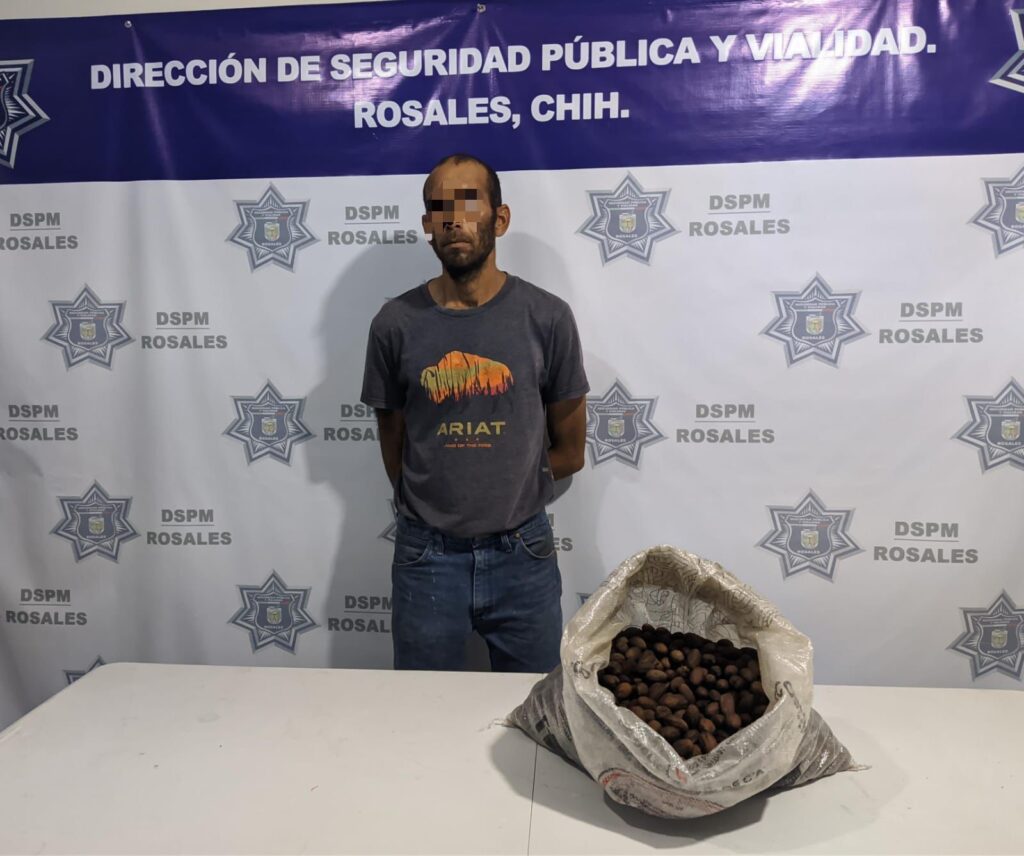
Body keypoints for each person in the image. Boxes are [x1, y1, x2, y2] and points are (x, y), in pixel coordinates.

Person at [360, 153, 589, 672]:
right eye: (440, 208)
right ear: (427, 225)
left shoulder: (548, 318)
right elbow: (394, 441)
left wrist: (510, 484)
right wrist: (434, 502)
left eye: (468, 203)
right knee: (420, 710)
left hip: (523, 556)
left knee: (535, 708)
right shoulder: (394, 324)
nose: (453, 219)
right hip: (425, 559)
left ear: (499, 219)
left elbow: (571, 450)